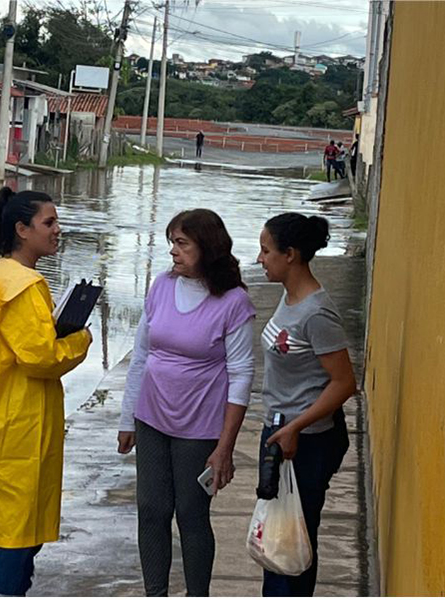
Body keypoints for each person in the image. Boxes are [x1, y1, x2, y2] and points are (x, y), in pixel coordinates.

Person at [0, 186, 93, 596]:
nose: (57, 230)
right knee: (17, 532)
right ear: (22, 230)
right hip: (20, 429)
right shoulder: (25, 287)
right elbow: (41, 356)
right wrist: (79, 339)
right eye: (49, 222)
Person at [118, 209, 256, 596]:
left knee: (192, 516)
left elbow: (242, 374)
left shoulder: (233, 302)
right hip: (151, 418)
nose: (174, 253)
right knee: (151, 511)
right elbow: (141, 356)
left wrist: (225, 447)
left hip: (200, 427)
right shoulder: (161, 286)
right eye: (172, 244)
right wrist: (128, 418)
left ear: (207, 248)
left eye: (182, 244)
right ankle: (155, 592)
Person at [255, 213, 357, 597]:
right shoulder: (289, 296)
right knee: (274, 537)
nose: (260, 258)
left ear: (291, 255)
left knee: (293, 540)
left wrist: (296, 427)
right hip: (281, 433)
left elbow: (345, 382)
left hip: (307, 441)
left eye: (266, 251)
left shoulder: (317, 312)